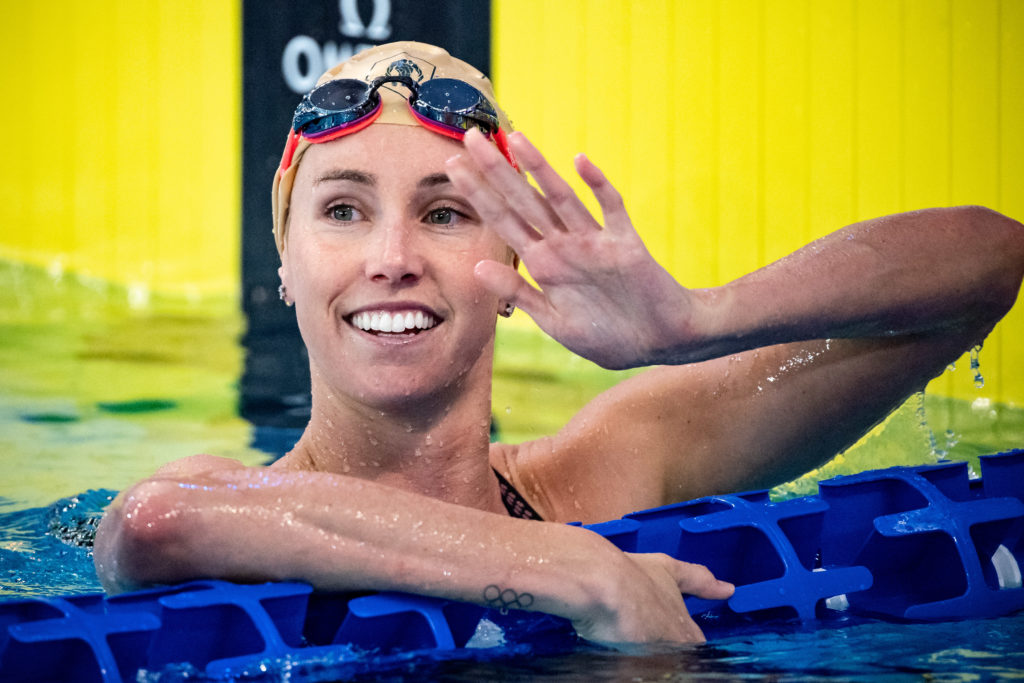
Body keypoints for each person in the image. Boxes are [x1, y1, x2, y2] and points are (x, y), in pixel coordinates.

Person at [94, 42, 1024, 647]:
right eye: (342, 210)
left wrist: (694, 322)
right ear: (285, 263)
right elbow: (154, 521)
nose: (391, 258)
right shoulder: (237, 500)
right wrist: (569, 566)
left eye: (446, 211)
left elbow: (986, 262)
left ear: (511, 258)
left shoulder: (609, 471)